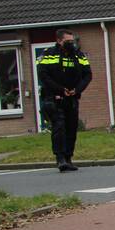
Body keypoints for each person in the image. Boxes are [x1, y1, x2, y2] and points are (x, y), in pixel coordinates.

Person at [36, 29, 92, 172]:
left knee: (71, 128)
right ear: (59, 41)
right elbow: (43, 75)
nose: (71, 44)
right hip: (54, 98)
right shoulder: (48, 54)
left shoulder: (78, 55)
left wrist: (77, 89)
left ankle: (68, 158)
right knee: (59, 127)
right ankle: (60, 158)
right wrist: (61, 89)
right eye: (68, 41)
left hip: (72, 98)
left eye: (72, 41)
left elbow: (88, 75)